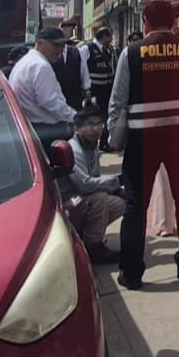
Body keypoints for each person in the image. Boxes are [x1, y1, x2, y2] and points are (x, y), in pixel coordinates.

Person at [107, 0, 179, 289]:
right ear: (172, 21)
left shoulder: (131, 53)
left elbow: (117, 103)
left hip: (142, 140)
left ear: (146, 22)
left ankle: (131, 273)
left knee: (135, 205)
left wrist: (115, 141)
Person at [61, 108, 126, 263]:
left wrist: (117, 189)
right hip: (67, 205)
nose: (96, 129)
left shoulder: (92, 146)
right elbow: (84, 185)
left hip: (81, 200)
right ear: (77, 128)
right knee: (100, 199)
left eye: (99, 124)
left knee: (120, 203)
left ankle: (85, 235)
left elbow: (95, 179)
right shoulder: (74, 150)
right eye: (90, 125)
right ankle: (93, 246)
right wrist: (117, 181)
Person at [9, 28, 78, 147]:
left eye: (62, 45)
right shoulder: (41, 66)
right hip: (45, 130)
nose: (60, 50)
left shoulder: (27, 62)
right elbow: (49, 101)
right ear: (40, 43)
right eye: (56, 45)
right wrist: (74, 117)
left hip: (31, 127)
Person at [53, 34, 89, 111]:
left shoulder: (77, 52)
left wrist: (87, 88)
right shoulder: (52, 54)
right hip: (58, 93)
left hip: (74, 92)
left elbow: (84, 70)